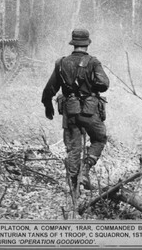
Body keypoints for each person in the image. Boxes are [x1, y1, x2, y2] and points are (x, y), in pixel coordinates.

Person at [42, 28, 109, 191]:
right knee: (100, 139)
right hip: (90, 111)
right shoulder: (93, 62)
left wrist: (47, 105)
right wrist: (89, 85)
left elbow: (49, 89)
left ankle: (74, 187)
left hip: (70, 112)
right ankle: (85, 170)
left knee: (73, 148)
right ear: (87, 44)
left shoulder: (61, 63)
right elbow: (104, 84)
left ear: (73, 43)